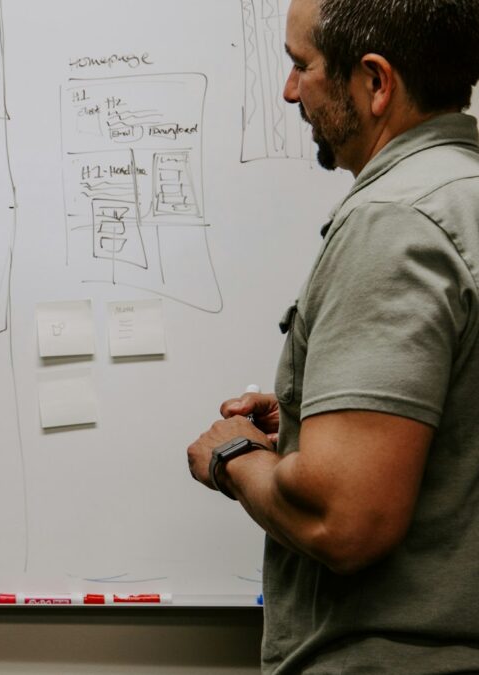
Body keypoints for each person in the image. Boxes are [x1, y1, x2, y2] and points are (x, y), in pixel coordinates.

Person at [186, 0, 479, 672]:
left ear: (375, 82)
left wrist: (231, 456)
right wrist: (303, 423)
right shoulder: (463, 195)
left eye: (302, 66)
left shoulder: (394, 221)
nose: (291, 90)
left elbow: (344, 521)